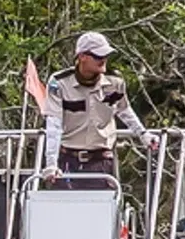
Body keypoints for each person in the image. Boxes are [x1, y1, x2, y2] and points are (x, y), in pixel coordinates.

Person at [23, 31, 159, 180]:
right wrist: (51, 164)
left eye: (106, 56)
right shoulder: (60, 83)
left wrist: (143, 134)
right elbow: (54, 124)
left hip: (102, 160)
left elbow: (123, 110)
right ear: (82, 57)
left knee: (103, 201)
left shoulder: (114, 83)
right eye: (98, 56)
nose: (103, 60)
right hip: (68, 159)